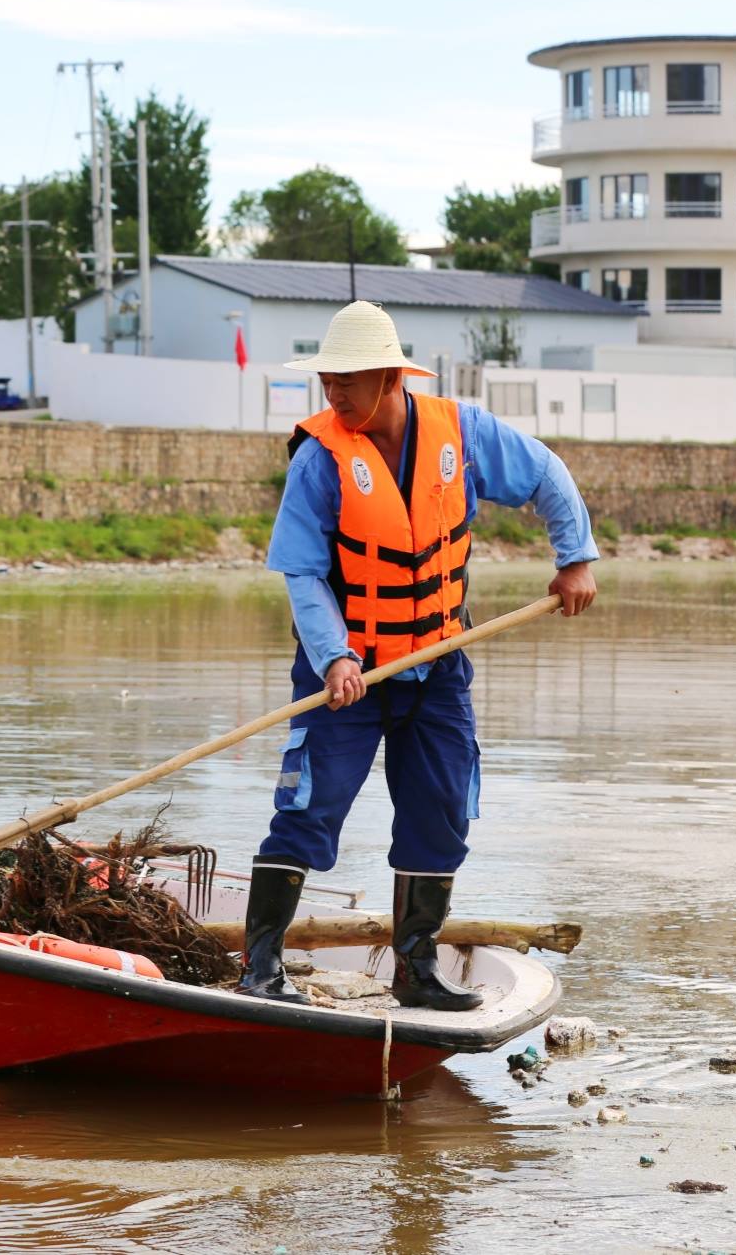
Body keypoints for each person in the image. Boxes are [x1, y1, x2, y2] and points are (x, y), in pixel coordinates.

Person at [242, 301, 599, 1011]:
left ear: (390, 377)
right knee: (310, 806)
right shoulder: (319, 459)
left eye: (346, 380)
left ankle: (416, 969)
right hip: (345, 673)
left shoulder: (462, 434)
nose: (334, 394)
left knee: (441, 809)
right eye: (327, 381)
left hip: (436, 667)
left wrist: (575, 558)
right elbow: (303, 574)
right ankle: (260, 968)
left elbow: (547, 474)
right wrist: (336, 656)